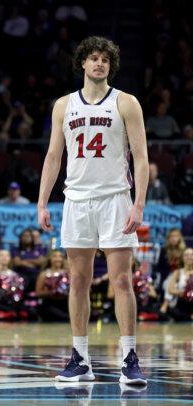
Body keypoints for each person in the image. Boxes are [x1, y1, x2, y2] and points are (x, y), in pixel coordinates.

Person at [38, 36, 148, 385]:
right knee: (79, 281)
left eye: (104, 59)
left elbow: (142, 158)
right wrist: (42, 201)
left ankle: (129, 357)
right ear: (83, 64)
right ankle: (80, 358)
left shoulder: (126, 102)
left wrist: (139, 203)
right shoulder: (63, 105)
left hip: (116, 198)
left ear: (110, 66)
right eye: (93, 58)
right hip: (77, 200)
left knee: (122, 281)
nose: (99, 63)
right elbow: (54, 157)